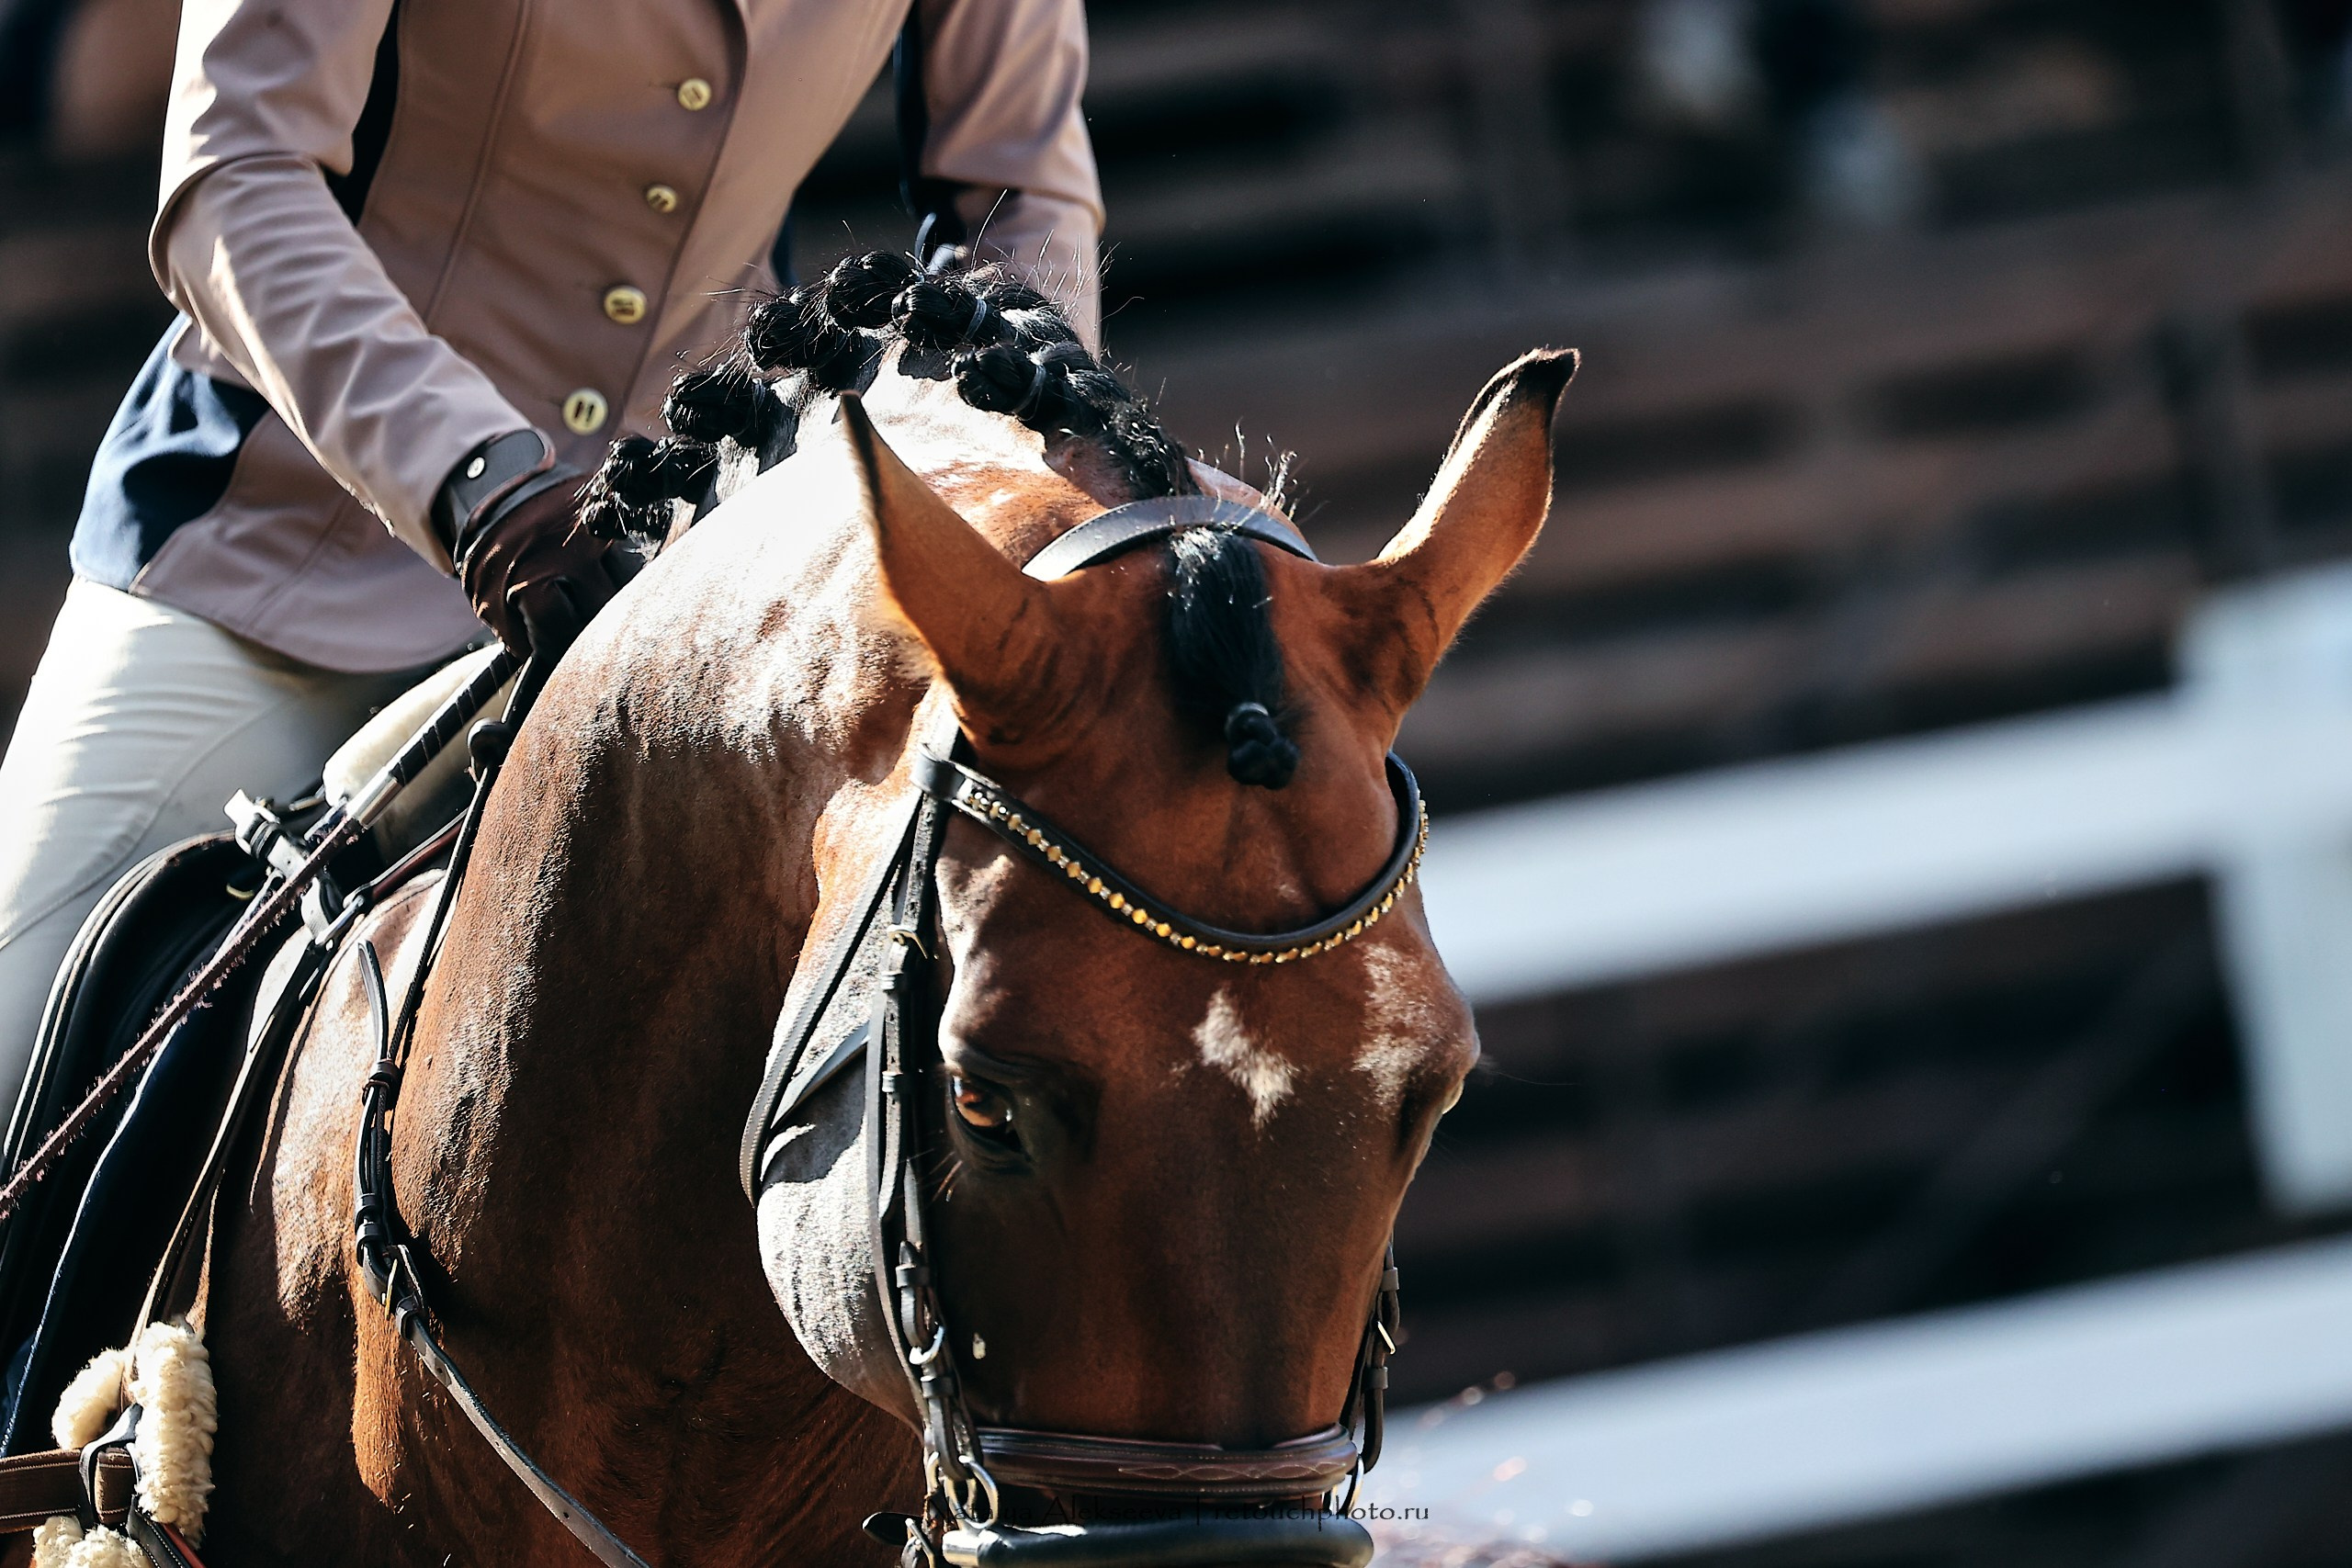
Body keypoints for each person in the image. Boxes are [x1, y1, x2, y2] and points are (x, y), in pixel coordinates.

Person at [0, 0, 1102, 1109]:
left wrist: (1013, 474)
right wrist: (477, 478)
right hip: (278, 551)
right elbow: (234, 174)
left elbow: (1017, 194)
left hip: (689, 588)